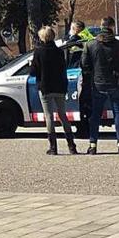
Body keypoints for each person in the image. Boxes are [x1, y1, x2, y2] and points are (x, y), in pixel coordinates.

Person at [81, 17, 119, 155]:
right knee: (118, 114)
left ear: (101, 26)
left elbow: (84, 65)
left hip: (98, 84)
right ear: (113, 27)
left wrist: (90, 79)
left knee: (95, 115)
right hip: (116, 83)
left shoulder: (90, 44)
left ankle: (93, 145)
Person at [30, 26, 78, 155]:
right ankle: (71, 145)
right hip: (60, 86)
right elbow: (63, 69)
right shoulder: (59, 51)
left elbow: (33, 72)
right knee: (63, 115)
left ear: (42, 37)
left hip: (45, 87)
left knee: (49, 116)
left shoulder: (39, 52)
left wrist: (32, 65)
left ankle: (53, 147)